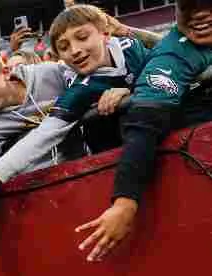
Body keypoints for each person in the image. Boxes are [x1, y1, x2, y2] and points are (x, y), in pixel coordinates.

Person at [0, 5, 152, 197]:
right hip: (84, 173)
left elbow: (173, 56)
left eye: (82, 37)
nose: (75, 50)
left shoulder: (129, 47)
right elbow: (44, 134)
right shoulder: (79, 88)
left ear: (105, 34)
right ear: (60, 55)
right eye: (64, 47)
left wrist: (130, 89)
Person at [76, 0, 212, 261]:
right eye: (187, 7)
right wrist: (125, 202)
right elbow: (143, 124)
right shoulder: (173, 54)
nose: (199, 16)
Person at [0, 47, 86, 189]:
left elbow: (91, 80)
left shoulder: (49, 73)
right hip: (41, 185)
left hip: (84, 165)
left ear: (6, 72)